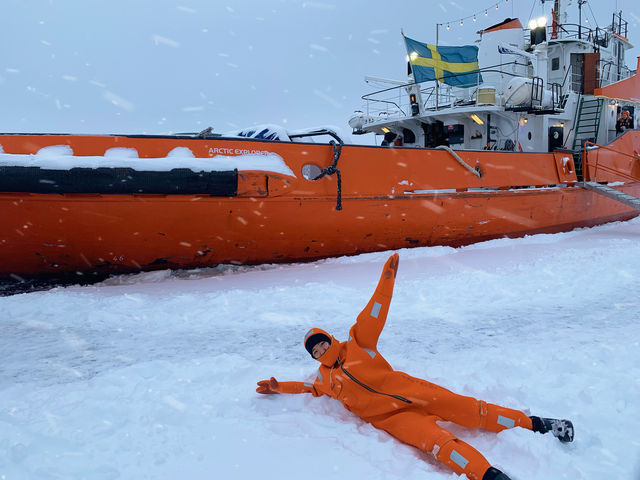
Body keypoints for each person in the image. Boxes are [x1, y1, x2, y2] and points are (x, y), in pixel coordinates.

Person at [256, 254, 573, 480]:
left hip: (415, 392)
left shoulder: (357, 344)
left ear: (330, 339)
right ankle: (489, 475)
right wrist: (279, 387)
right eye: (316, 351)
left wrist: (386, 281)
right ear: (313, 358)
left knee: (476, 411)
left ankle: (541, 425)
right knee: (441, 445)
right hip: (396, 419)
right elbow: (308, 389)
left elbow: (374, 313)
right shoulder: (325, 379)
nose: (321, 350)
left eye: (322, 343)